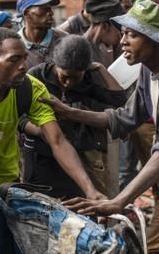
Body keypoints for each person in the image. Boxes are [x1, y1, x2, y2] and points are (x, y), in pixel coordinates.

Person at [43, 0, 159, 254]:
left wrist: (120, 200)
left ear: (153, 40)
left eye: (131, 35)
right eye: (123, 34)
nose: (122, 42)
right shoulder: (147, 71)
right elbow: (124, 118)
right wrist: (70, 113)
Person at [0, 28, 104, 201]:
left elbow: (58, 141)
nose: (23, 66)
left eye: (24, 58)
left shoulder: (32, 89)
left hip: (6, 178)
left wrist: (89, 189)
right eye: (14, 59)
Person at [24, 35, 127, 198]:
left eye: (75, 78)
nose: (68, 83)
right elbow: (20, 117)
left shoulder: (87, 80)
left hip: (80, 154)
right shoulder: (37, 77)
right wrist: (42, 132)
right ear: (55, 64)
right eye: (64, 76)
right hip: (43, 156)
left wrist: (100, 68)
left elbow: (119, 98)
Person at [16, 0, 67, 69]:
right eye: (44, 9)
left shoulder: (64, 40)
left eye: (50, 9)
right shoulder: (15, 44)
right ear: (27, 13)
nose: (51, 13)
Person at [83, 0, 124, 67]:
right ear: (105, 26)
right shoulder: (79, 50)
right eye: (119, 30)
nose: (121, 38)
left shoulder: (104, 51)